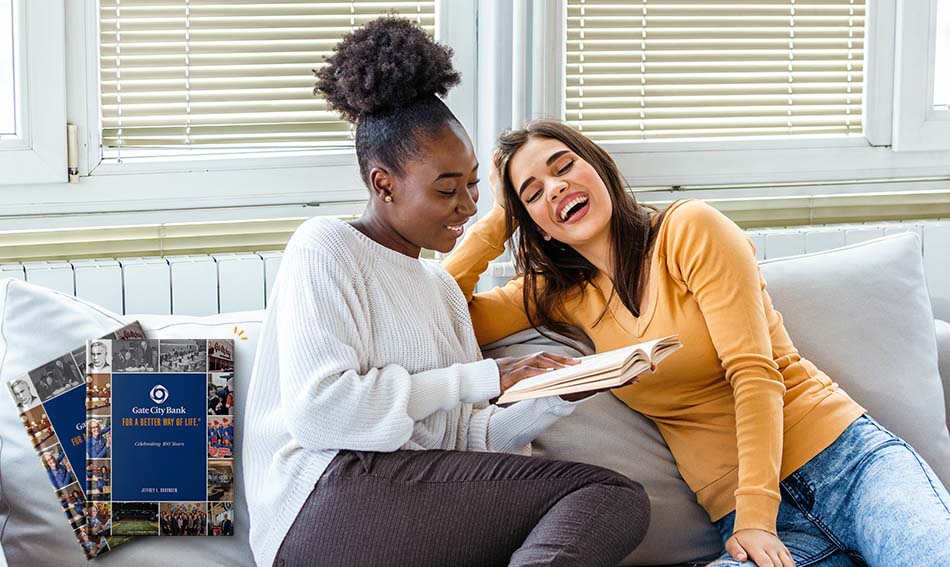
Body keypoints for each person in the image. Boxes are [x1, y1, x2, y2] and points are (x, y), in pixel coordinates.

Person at [444, 120, 950, 567]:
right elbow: (441, 312)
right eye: (533, 193)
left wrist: (757, 514)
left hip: (847, 465)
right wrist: (500, 217)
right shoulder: (559, 296)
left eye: (564, 167)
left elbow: (754, 371)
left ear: (599, 169)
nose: (555, 188)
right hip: (739, 517)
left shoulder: (689, 229)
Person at [243, 17, 651, 567]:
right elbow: (322, 413)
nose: (468, 205)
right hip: (323, 501)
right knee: (608, 498)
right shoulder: (327, 247)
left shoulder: (441, 290)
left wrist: (556, 396)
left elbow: (466, 441)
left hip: (408, 500)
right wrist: (484, 376)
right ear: (383, 183)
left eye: (474, 183)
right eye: (446, 189)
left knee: (617, 500)